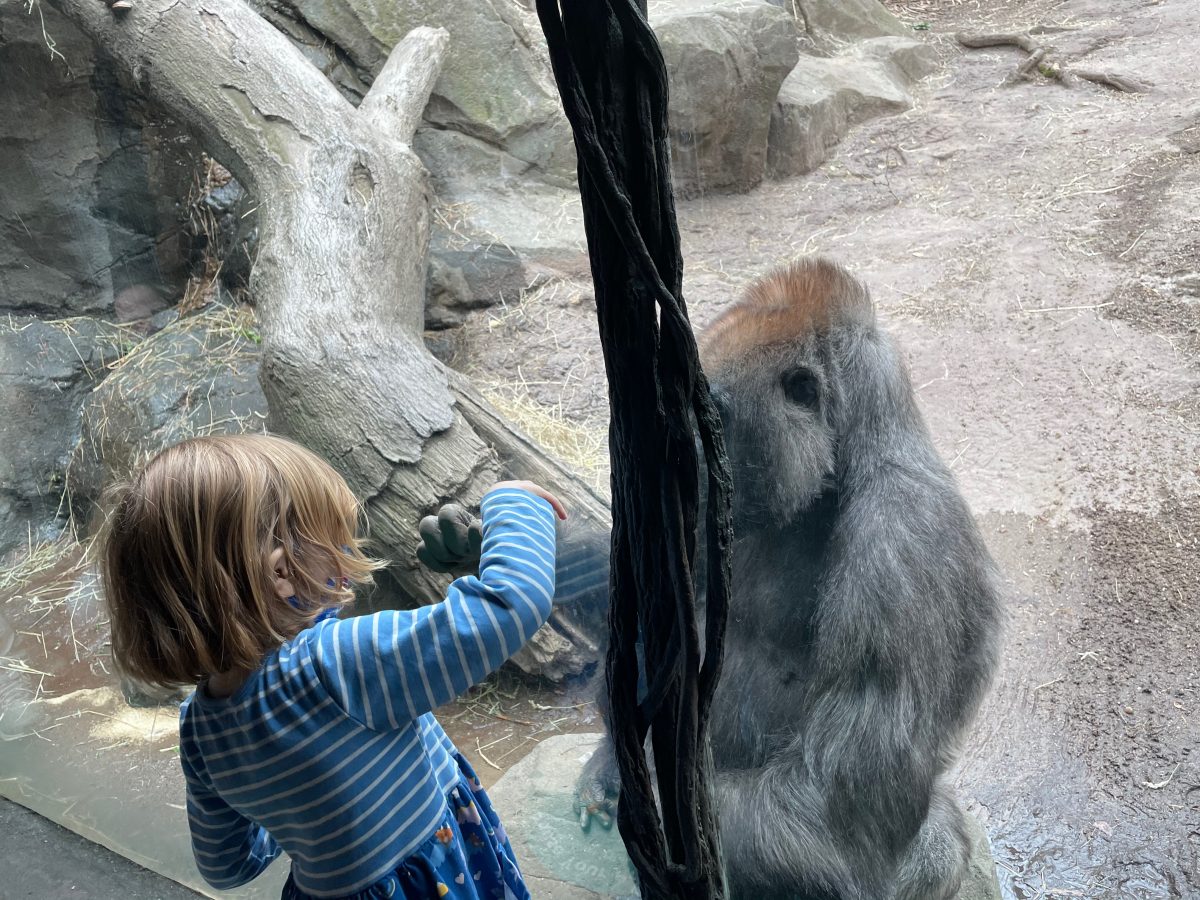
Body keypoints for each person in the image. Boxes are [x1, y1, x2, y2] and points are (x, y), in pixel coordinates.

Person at [100, 433, 566, 900]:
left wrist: (305, 814)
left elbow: (227, 866)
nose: (345, 552)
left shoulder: (201, 730)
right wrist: (513, 504)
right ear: (281, 573)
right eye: (331, 539)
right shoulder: (333, 664)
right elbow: (510, 606)